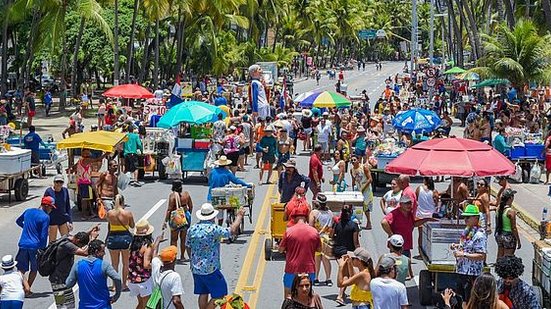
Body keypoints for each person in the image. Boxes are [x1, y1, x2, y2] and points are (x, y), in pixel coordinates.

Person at [186, 203, 245, 309]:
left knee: (203, 292)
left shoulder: (192, 229)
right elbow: (231, 231)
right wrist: (239, 216)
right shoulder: (213, 229)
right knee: (220, 294)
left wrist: (193, 259)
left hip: (196, 268)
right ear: (212, 216)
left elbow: (188, 246)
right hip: (210, 269)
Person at [50, 227, 98, 309]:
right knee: (64, 306)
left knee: (65, 305)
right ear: (77, 241)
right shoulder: (67, 245)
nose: (80, 247)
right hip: (59, 281)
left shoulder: (67, 237)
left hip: (60, 279)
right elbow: (85, 252)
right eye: (81, 246)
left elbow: (80, 236)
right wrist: (92, 239)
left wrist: (89, 231)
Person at [279, 203, 320, 299]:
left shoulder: (289, 231)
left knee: (288, 295)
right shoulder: (314, 232)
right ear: (306, 217)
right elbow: (319, 249)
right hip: (309, 269)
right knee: (307, 296)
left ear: (293, 218)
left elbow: (281, 250)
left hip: (292, 268)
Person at [65, 239, 122, 308]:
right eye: (103, 251)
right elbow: (117, 278)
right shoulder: (104, 265)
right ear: (96, 252)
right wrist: (117, 295)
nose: (104, 253)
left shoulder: (78, 265)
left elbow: (68, 284)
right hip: (103, 306)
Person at [15, 196, 53, 293]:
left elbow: (18, 221)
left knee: (21, 269)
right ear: (46, 206)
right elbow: (43, 236)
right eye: (51, 207)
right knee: (34, 269)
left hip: (23, 244)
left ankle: (21, 288)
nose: (51, 210)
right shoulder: (45, 217)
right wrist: (44, 249)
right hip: (35, 246)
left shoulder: (28, 211)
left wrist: (25, 228)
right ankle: (27, 289)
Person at [451, 204, 488, 302]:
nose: (465, 219)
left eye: (468, 217)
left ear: (476, 218)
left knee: (469, 301)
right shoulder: (468, 231)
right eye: (464, 217)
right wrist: (457, 246)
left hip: (472, 274)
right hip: (462, 271)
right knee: (460, 300)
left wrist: (463, 255)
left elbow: (481, 256)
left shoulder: (479, 235)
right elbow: (467, 247)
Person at [207, 156, 251, 225]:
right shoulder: (227, 172)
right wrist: (247, 185)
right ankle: (220, 227)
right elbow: (236, 181)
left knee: (211, 215)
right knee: (220, 214)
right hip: (222, 196)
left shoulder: (213, 171)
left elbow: (209, 182)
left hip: (211, 196)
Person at [128, 219, 162, 308]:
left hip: (133, 278)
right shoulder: (147, 246)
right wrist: (156, 265)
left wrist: (157, 243)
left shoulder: (133, 244)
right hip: (143, 280)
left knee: (141, 304)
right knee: (146, 305)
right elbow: (146, 264)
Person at [105, 194, 134, 291]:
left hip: (113, 238)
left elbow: (109, 225)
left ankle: (114, 285)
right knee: (125, 263)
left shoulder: (110, 213)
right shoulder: (128, 213)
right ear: (123, 202)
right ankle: (124, 284)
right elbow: (132, 225)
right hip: (125, 238)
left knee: (114, 264)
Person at [333, 204, 360, 305]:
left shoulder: (337, 224)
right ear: (351, 212)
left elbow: (332, 235)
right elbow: (356, 242)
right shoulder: (354, 225)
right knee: (346, 274)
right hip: (348, 252)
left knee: (344, 272)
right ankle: (340, 296)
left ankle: (342, 294)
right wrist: (359, 253)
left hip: (337, 251)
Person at [71, 148, 105, 220]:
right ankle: (84, 216)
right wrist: (106, 154)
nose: (89, 153)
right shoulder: (86, 160)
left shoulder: (80, 160)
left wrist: (71, 170)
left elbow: (73, 168)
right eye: (87, 152)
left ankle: (91, 213)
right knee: (84, 200)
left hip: (81, 182)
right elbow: (98, 160)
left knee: (87, 198)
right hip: (84, 182)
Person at [164, 180, 193, 262]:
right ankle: (183, 256)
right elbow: (191, 206)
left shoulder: (172, 196)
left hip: (176, 218)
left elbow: (169, 210)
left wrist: (165, 221)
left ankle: (174, 257)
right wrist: (186, 215)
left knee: (174, 239)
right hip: (185, 216)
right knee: (183, 238)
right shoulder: (186, 194)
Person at [308, 194, 333, 287]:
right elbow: (330, 227)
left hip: (316, 239)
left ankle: (316, 278)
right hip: (326, 239)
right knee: (326, 259)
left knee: (316, 259)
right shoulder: (330, 213)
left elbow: (310, 226)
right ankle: (328, 279)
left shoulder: (314, 213)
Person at [44, 175, 73, 242]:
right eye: (57, 182)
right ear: (54, 182)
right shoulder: (49, 191)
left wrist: (70, 221)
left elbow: (68, 206)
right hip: (52, 220)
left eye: (61, 182)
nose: (59, 184)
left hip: (63, 219)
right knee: (52, 242)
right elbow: (44, 207)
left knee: (66, 241)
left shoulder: (65, 190)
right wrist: (45, 224)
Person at [494, 189, 521, 260]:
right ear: (510, 198)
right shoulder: (511, 212)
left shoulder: (498, 208)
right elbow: (513, 228)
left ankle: (498, 269)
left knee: (500, 254)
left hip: (499, 235)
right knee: (508, 257)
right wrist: (518, 240)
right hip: (508, 236)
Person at [350, 155, 373, 229]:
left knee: (366, 206)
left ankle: (369, 222)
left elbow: (370, 179)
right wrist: (353, 189)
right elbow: (353, 180)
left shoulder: (364, 168)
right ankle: (358, 222)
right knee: (357, 206)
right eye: (352, 160)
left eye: (354, 160)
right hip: (358, 189)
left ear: (358, 160)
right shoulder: (352, 170)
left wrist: (363, 188)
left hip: (366, 189)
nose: (353, 162)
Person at [416, 177, 438, 253]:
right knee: (429, 235)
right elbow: (436, 203)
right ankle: (429, 251)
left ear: (424, 180)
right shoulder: (434, 191)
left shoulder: (419, 188)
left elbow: (416, 198)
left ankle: (420, 251)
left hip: (420, 215)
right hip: (430, 215)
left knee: (421, 235)